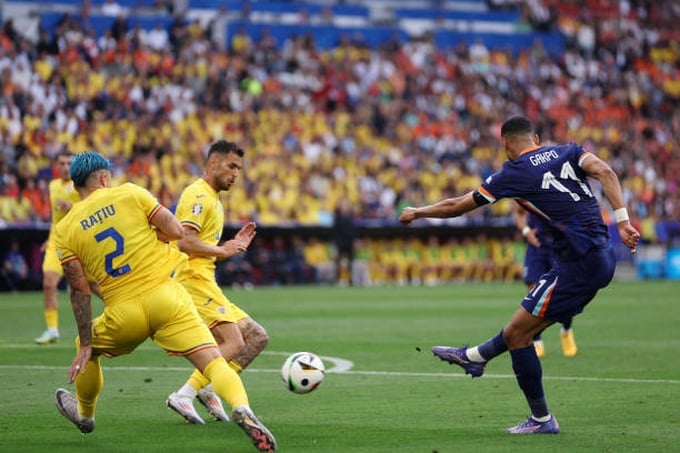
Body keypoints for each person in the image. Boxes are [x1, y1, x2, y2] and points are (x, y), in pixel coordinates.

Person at [399, 116, 640, 434]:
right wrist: (622, 221)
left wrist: (419, 211)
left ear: (505, 143)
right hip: (599, 255)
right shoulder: (568, 151)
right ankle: (474, 357)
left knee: (518, 336)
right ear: (536, 137)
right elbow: (606, 171)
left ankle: (539, 418)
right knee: (518, 333)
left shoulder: (513, 173)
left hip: (579, 264)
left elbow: (459, 205)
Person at [53, 151, 276, 452]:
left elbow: (79, 290)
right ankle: (242, 408)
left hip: (123, 310)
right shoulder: (130, 192)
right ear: (104, 178)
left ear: (75, 183)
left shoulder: (65, 230)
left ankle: (86, 414)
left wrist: (85, 341)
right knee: (213, 360)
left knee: (88, 348)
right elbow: (175, 231)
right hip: (167, 297)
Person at [165, 140, 270, 425]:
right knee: (234, 342)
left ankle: (209, 388)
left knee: (257, 338)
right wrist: (223, 249)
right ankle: (185, 394)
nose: (236, 173)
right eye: (231, 166)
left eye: (239, 168)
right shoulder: (198, 195)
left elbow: (203, 247)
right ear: (213, 164)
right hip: (192, 280)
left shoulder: (213, 198)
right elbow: (185, 241)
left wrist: (230, 247)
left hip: (205, 279)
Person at [513, 205, 577, 357]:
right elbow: (517, 212)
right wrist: (526, 231)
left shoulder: (559, 187)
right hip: (536, 247)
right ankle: (536, 340)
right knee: (533, 292)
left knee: (565, 292)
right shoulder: (529, 187)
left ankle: (566, 330)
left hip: (559, 247)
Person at [36, 151, 80, 344]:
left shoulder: (81, 185)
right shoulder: (53, 185)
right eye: (61, 163)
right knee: (48, 283)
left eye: (69, 163)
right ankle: (52, 329)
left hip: (76, 242)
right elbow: (55, 219)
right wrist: (49, 238)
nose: (65, 166)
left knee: (93, 286)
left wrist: (71, 206)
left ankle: (120, 317)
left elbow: (90, 209)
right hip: (56, 241)